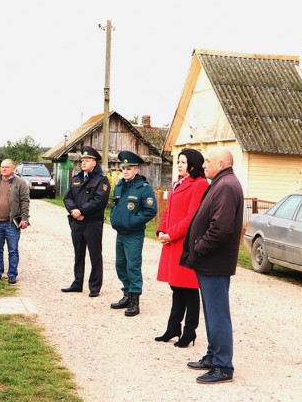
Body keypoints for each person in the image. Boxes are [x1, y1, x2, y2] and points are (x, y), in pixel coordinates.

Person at [181, 148, 243, 384]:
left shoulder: (226, 185)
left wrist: (198, 247)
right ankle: (213, 355)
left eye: (208, 161)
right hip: (210, 263)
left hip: (214, 263)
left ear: (222, 163)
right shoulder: (221, 182)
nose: (203, 164)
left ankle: (223, 366)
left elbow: (221, 228)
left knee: (218, 314)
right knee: (211, 311)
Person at [155, 149, 209, 347]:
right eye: (178, 161)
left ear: (193, 165)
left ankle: (189, 331)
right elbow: (169, 210)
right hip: (171, 242)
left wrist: (172, 234)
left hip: (185, 243)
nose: (178, 165)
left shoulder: (200, 184)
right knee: (176, 287)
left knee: (189, 289)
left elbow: (192, 216)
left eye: (183, 162)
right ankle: (173, 328)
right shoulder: (179, 183)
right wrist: (162, 230)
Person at [109, 151, 157, 317]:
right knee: (120, 265)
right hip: (120, 233)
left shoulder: (144, 189)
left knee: (133, 266)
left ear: (136, 170)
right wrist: (114, 218)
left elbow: (151, 211)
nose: (125, 171)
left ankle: (135, 301)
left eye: (129, 168)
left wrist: (132, 221)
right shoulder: (120, 185)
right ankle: (127, 295)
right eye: (124, 168)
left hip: (134, 234)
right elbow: (115, 205)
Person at [61, 146, 111, 297]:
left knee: (95, 255)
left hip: (92, 223)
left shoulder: (101, 180)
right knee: (78, 253)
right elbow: (67, 197)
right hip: (76, 222)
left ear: (94, 162)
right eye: (82, 160)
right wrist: (74, 212)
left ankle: (94, 287)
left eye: (87, 160)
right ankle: (77, 283)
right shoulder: (76, 179)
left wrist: (81, 211)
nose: (83, 163)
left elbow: (99, 201)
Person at [0, 158, 30, 284]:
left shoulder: (20, 183)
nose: (3, 169)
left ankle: (12, 275)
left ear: (13, 168)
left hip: (12, 223)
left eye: (6, 167)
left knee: (13, 250)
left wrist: (25, 219)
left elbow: (25, 202)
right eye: (2, 167)